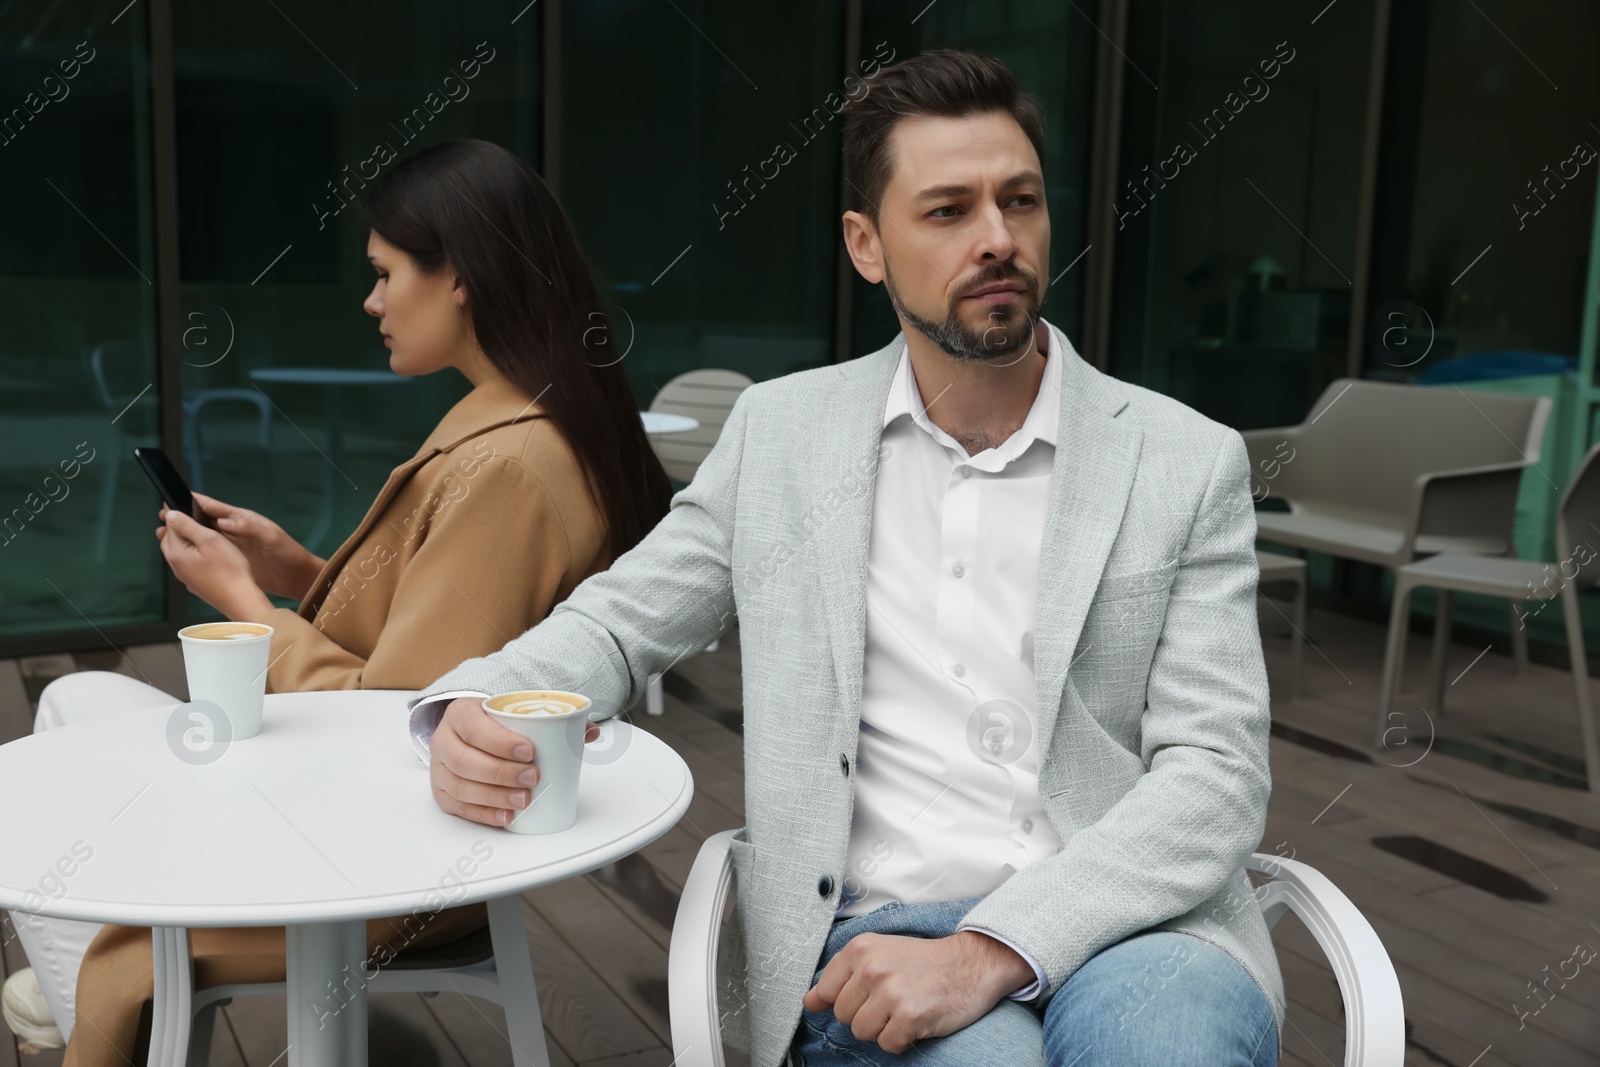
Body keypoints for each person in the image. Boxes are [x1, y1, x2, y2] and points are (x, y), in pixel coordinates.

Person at [409, 50, 1283, 1067]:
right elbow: (622, 618)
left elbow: (1215, 774)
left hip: (1141, 926)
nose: (998, 239)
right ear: (865, 246)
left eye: (1021, 201)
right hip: (880, 926)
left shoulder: (1183, 459)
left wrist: (997, 942)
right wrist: (473, 705)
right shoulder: (784, 435)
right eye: (948, 210)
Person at [0, 139, 672, 1067]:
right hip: (376, 814)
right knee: (74, 707)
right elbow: (436, 628)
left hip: (382, 855)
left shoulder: (511, 463)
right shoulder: (519, 421)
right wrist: (295, 569)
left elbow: (400, 714)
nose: (372, 300)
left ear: (462, 279)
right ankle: (95, 1007)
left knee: (91, 863)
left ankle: (102, 1014)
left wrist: (240, 601)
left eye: (385, 272)